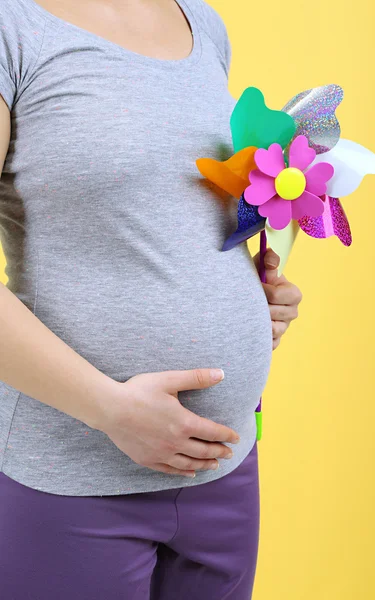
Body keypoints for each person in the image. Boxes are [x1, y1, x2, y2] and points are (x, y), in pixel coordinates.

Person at [0, 1, 302, 598]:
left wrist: (247, 294)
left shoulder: (200, 20)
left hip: (227, 467)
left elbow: (176, 209)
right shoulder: (13, 29)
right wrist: (109, 408)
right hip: (72, 477)